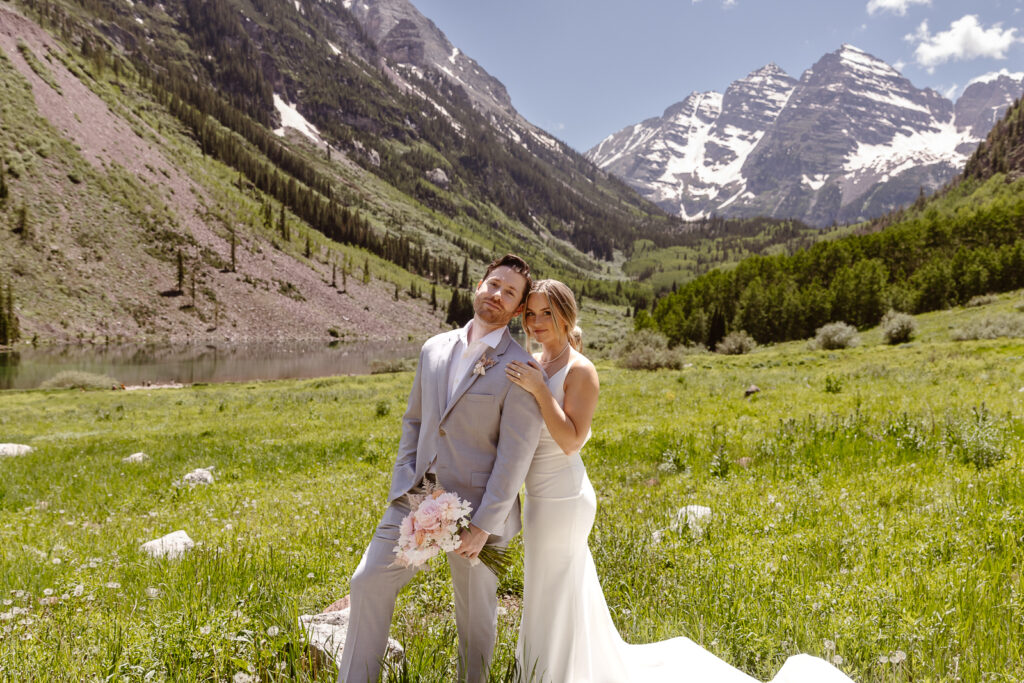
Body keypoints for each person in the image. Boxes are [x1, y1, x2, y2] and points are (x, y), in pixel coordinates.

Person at [507, 279, 853, 683]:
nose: (536, 321)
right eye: (529, 313)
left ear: (566, 317)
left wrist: (538, 391)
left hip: (564, 499)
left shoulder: (580, 370)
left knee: (556, 591)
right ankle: (552, 670)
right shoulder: (536, 363)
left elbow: (570, 440)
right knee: (549, 591)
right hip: (537, 498)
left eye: (546, 312)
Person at [338, 254, 542, 683]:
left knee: (475, 620)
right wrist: (403, 487)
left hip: (478, 517)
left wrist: (484, 525)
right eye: (494, 285)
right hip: (416, 500)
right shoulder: (434, 347)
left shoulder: (521, 368)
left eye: (510, 293)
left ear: (519, 309)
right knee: (368, 580)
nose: (497, 296)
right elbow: (414, 421)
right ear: (479, 284)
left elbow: (514, 456)